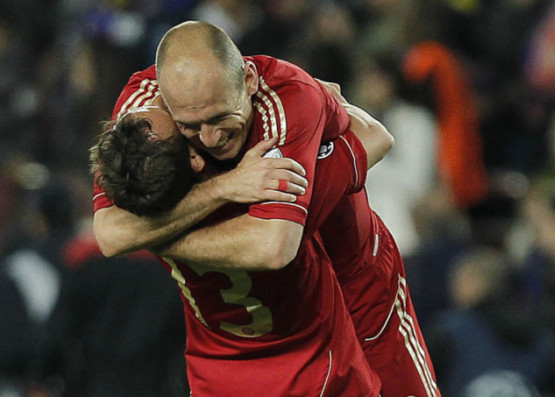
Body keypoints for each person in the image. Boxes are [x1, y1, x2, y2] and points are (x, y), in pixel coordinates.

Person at [92, 21, 439, 397]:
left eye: (221, 116)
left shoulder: (287, 99)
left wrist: (159, 237)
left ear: (250, 81)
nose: (210, 138)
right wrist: (227, 186)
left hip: (358, 285)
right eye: (191, 126)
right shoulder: (145, 137)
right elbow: (110, 235)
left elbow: (374, 136)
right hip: (281, 327)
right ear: (165, 101)